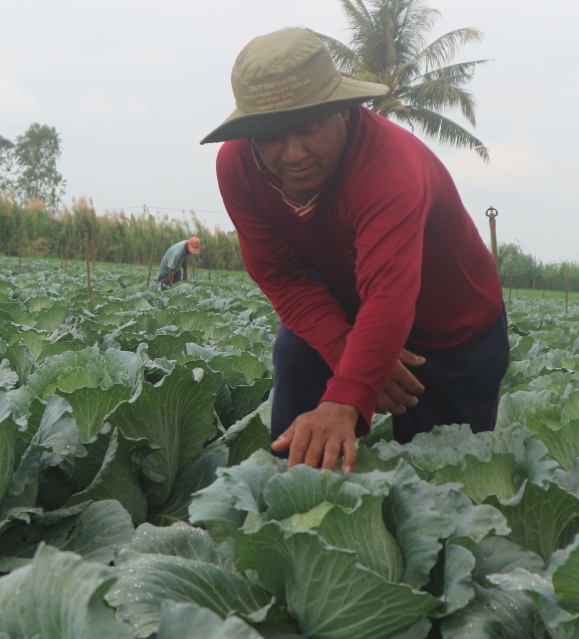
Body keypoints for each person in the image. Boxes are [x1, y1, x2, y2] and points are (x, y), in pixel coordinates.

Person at [203, 28, 507, 473]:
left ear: (345, 111)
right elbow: (282, 276)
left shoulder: (389, 165)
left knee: (444, 490)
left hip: (452, 332)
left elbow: (389, 293)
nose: (292, 154)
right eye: (269, 137)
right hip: (349, 306)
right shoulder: (236, 166)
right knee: (297, 355)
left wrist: (347, 396)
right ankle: (292, 505)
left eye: (308, 129)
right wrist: (351, 359)